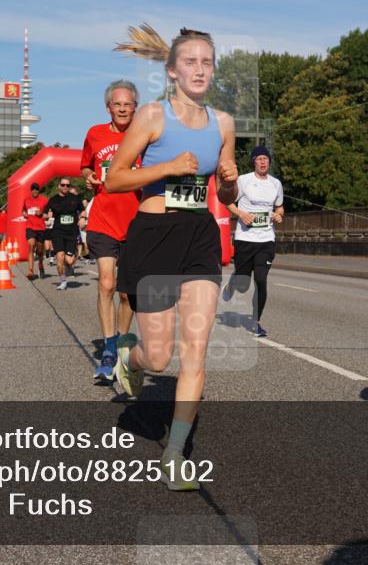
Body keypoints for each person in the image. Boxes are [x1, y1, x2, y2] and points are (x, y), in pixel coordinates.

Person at [105, 28, 239, 490]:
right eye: (191, 62)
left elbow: (224, 191)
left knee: (195, 354)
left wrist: (229, 180)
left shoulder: (223, 123)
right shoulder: (152, 116)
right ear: (172, 70)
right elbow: (115, 179)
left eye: (207, 62)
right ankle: (131, 357)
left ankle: (175, 454)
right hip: (155, 236)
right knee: (159, 358)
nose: (200, 70)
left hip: (199, 237)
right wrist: (167, 167)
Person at [80, 80, 142, 380]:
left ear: (135, 108)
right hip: (103, 219)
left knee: (128, 294)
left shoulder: (145, 136)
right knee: (106, 283)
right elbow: (85, 167)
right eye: (117, 104)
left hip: (135, 223)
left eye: (127, 104)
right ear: (109, 107)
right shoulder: (95, 134)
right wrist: (90, 175)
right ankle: (107, 348)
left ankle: (121, 343)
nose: (121, 108)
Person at [222, 145, 284, 337]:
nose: (263, 162)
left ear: (269, 162)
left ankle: (256, 322)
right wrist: (241, 213)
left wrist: (279, 216)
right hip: (245, 239)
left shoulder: (276, 184)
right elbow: (227, 201)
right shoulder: (243, 180)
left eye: (265, 158)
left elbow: (279, 207)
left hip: (266, 239)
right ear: (253, 162)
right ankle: (234, 283)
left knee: (261, 279)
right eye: (259, 159)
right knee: (243, 284)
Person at [43, 178, 83, 290]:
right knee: (60, 257)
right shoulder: (53, 200)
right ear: (59, 186)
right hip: (58, 232)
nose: (65, 187)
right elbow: (45, 213)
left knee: (69, 260)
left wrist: (83, 218)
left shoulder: (75, 198)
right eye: (63, 185)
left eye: (67, 185)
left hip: (71, 233)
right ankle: (63, 280)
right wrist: (46, 216)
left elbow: (83, 210)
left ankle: (70, 261)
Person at [23, 182, 49, 279]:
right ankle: (30, 271)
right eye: (33, 189)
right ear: (31, 190)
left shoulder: (45, 200)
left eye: (36, 189)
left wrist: (42, 213)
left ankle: (41, 264)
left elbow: (48, 215)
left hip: (41, 228)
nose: (34, 191)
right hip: (30, 227)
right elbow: (24, 210)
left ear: (39, 190)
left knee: (40, 251)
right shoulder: (26, 200)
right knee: (31, 245)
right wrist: (24, 213)